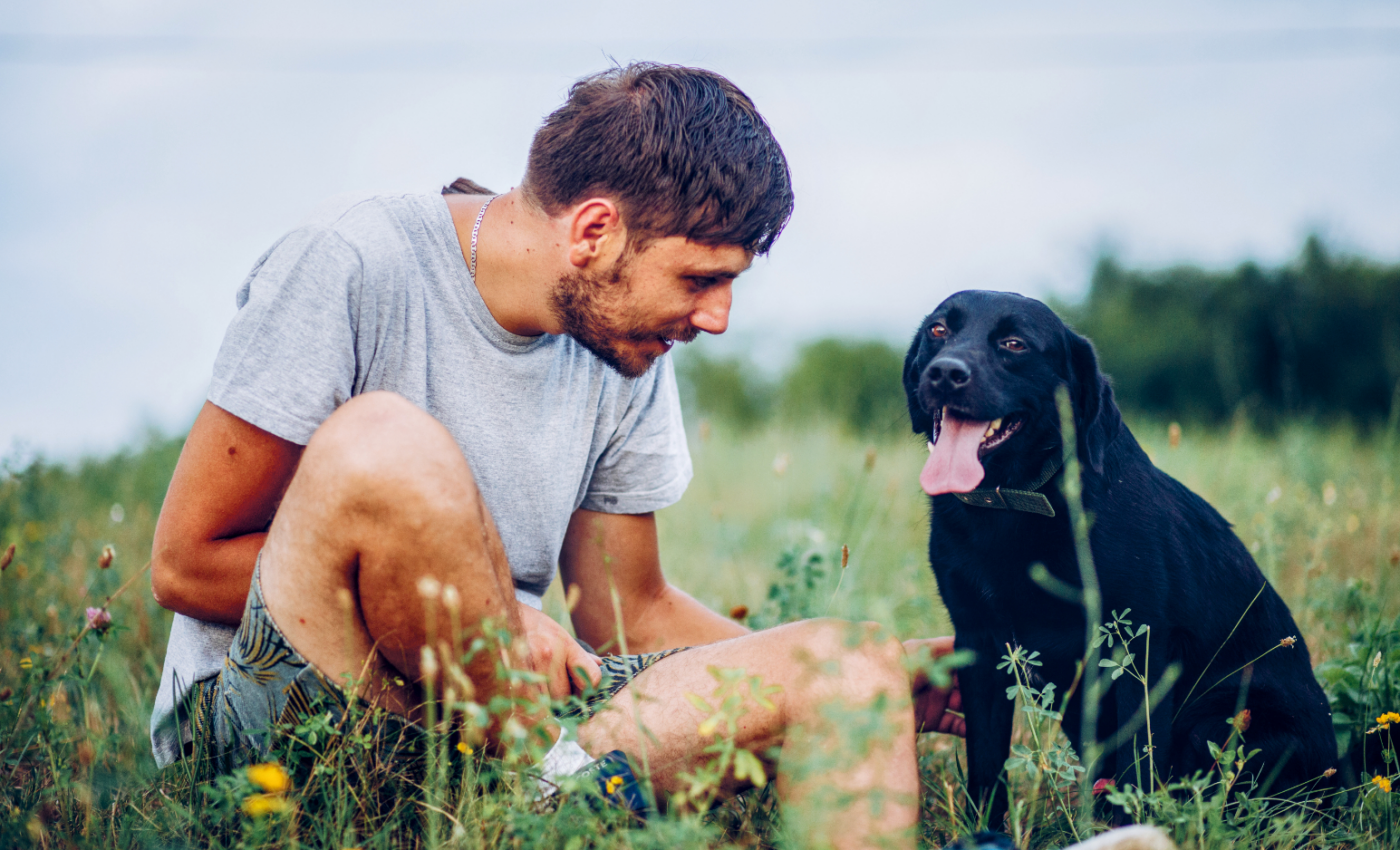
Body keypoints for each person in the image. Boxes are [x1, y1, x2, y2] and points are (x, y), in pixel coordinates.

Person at [149, 62, 964, 849]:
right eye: (699, 279)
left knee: (848, 661)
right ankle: (564, 801)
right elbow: (186, 564)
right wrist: (495, 620)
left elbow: (629, 615)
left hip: (506, 744)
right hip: (289, 744)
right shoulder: (353, 259)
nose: (716, 318)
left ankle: (551, 808)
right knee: (385, 443)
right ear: (595, 231)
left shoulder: (626, 340)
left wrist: (885, 674)